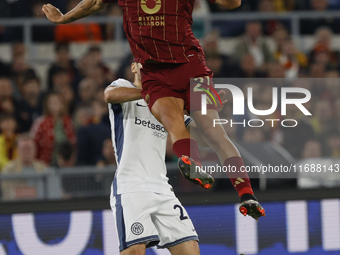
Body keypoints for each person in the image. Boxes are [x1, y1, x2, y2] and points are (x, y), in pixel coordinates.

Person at [42, 0, 265, 219]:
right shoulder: (124, 86)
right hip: (161, 72)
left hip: (184, 67)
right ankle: (222, 180)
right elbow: (95, 4)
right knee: (200, 129)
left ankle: (238, 189)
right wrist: (63, 19)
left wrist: (64, 19)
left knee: (195, 127)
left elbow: (232, 3)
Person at [104, 62, 207, 254]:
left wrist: (205, 111)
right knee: (135, 250)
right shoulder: (123, 87)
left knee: (191, 250)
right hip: (131, 187)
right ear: (134, 67)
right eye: (146, 64)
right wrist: (148, 94)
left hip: (162, 188)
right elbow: (109, 95)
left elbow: (201, 137)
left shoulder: (166, 104)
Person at [1, 134, 48, 200]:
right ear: (17, 151)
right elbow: (7, 194)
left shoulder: (43, 168)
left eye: (28, 148)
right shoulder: (8, 170)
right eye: (24, 149)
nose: (26, 152)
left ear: (35, 150)